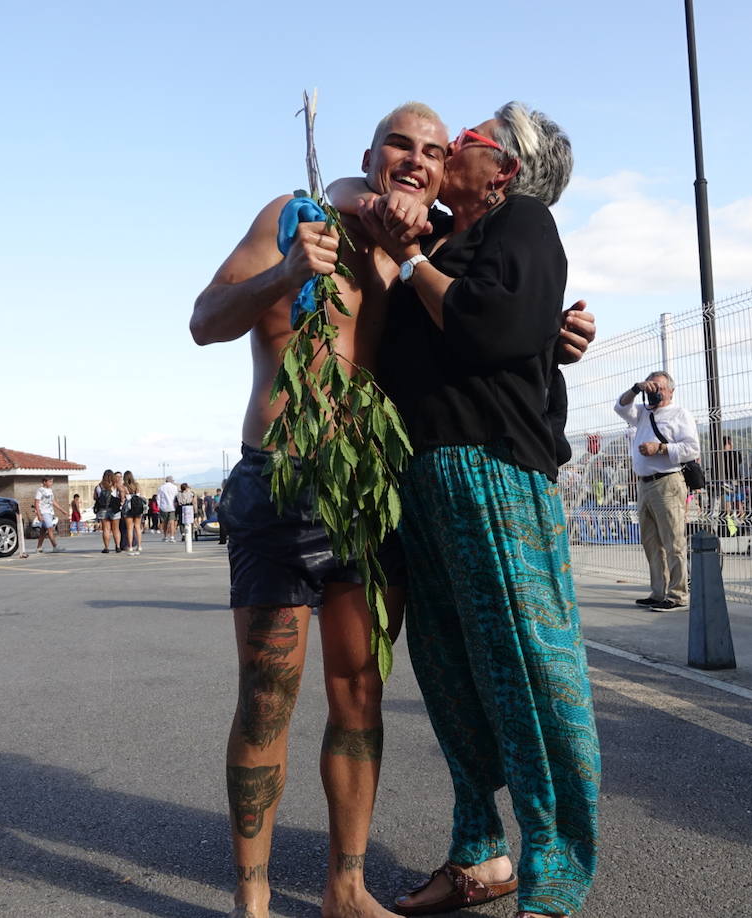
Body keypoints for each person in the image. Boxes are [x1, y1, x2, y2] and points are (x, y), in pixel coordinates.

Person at [193, 101, 595, 918]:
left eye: (438, 150)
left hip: (369, 496)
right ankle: (254, 901)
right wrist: (283, 274)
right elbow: (204, 319)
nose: (420, 161)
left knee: (361, 696)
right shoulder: (297, 217)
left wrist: (548, 332)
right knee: (268, 697)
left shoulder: (420, 244)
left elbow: (483, 312)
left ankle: (347, 890)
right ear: (370, 153)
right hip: (280, 482)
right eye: (401, 147)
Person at [360, 101, 599, 918]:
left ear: (504, 172)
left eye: (470, 140)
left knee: (532, 678)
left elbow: (490, 325)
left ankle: (555, 867)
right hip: (422, 482)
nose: (452, 144)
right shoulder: (446, 239)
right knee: (454, 679)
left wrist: (417, 260)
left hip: (492, 473)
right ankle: (479, 856)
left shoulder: (522, 221)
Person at [614, 371, 700, 611]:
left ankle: (677, 594)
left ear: (671, 391)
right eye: (651, 388)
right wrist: (635, 389)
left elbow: (691, 449)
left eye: (659, 388)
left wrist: (660, 448)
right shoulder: (643, 413)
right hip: (644, 484)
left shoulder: (680, 414)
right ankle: (658, 591)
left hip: (667, 482)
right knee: (651, 541)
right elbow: (620, 408)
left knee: (673, 541)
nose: (655, 392)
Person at [32, 476, 67, 553]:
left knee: (43, 531)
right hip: (43, 512)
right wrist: (39, 515)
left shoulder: (50, 490)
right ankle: (55, 546)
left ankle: (39, 548)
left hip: (50, 512)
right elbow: (36, 503)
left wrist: (62, 510)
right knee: (50, 528)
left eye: (52, 481)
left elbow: (53, 501)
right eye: (50, 481)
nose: (51, 483)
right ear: (45, 482)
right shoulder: (40, 490)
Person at [93, 469, 122, 554]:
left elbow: (95, 497)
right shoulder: (115, 485)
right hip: (114, 509)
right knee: (116, 529)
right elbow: (122, 493)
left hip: (103, 509)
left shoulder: (98, 486)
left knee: (106, 529)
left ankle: (106, 548)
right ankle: (118, 546)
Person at [122, 471, 145, 554]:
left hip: (128, 508)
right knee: (138, 527)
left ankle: (130, 546)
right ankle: (139, 546)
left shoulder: (124, 486)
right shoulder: (137, 485)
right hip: (137, 507)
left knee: (130, 528)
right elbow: (140, 495)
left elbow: (123, 498)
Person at [157, 476, 179, 542]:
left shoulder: (161, 487)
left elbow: (158, 498)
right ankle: (172, 537)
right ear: (171, 481)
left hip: (164, 507)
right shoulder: (175, 487)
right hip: (172, 507)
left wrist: (159, 506)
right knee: (172, 522)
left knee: (165, 523)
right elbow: (176, 497)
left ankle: (165, 536)